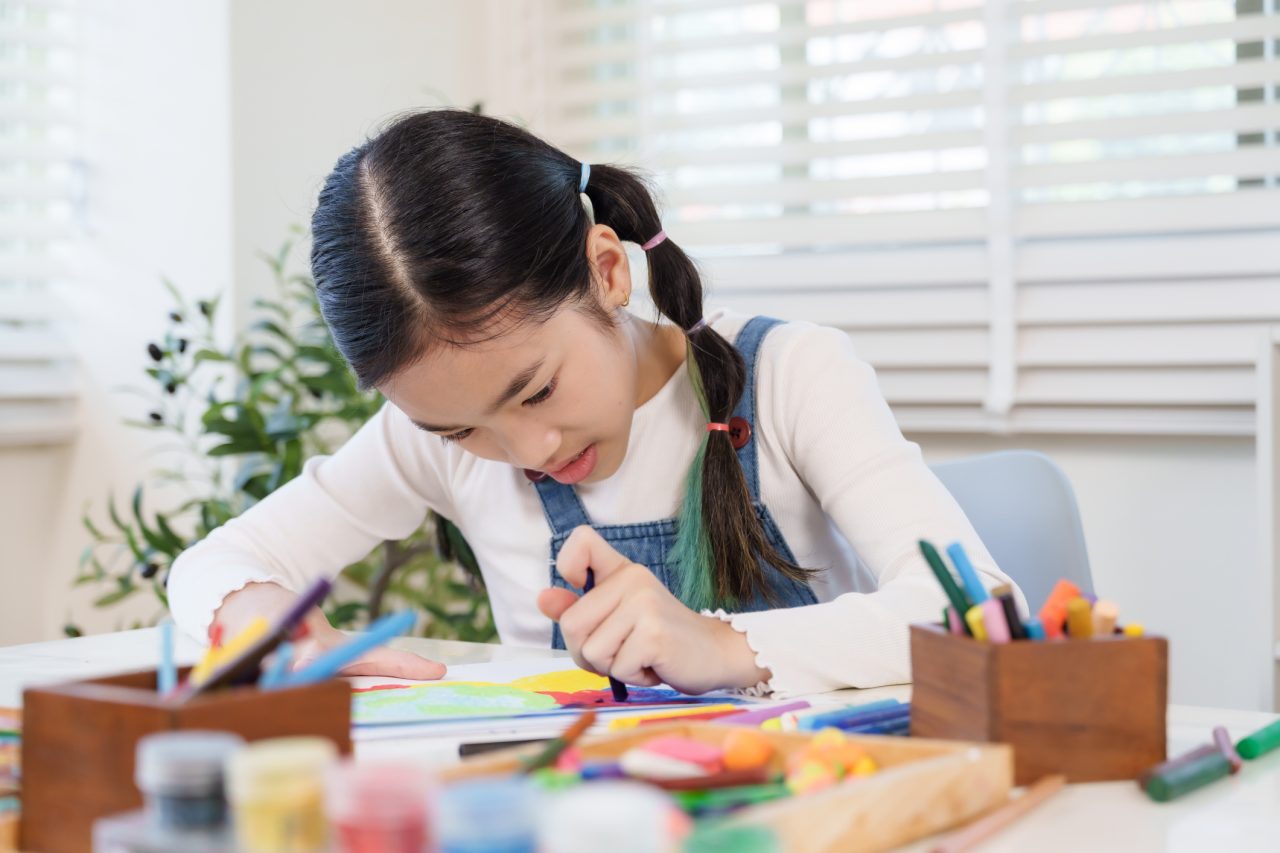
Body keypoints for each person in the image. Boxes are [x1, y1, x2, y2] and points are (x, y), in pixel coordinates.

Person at [168, 109, 1018, 697]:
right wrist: (264, 623)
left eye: (536, 388)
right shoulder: (428, 441)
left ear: (608, 271)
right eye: (462, 428)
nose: (529, 446)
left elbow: (982, 614)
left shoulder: (794, 375)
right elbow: (212, 564)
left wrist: (716, 645)